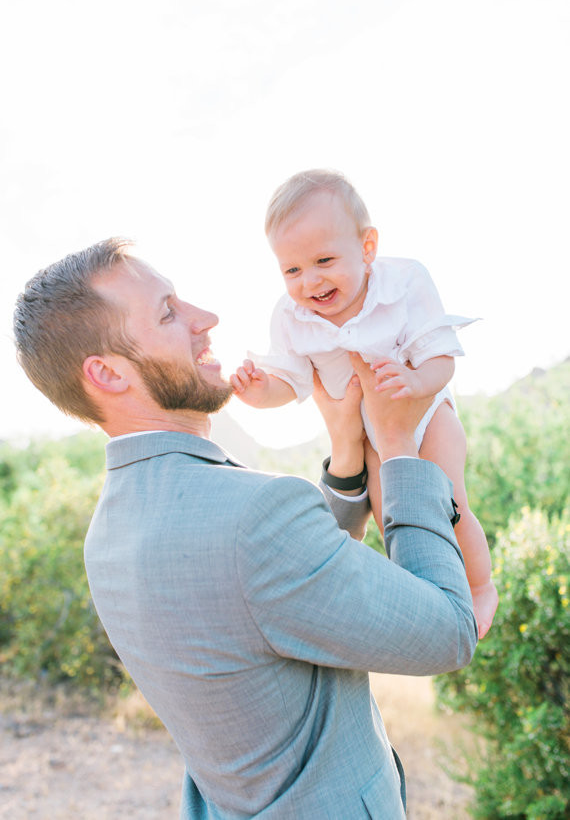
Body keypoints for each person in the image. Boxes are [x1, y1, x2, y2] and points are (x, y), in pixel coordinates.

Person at [14, 238, 477, 819]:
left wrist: (345, 452)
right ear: (106, 373)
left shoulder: (106, 537)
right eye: (167, 312)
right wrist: (402, 449)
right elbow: (450, 632)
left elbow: (270, 589)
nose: (206, 320)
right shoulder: (249, 520)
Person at [231, 169, 498, 639]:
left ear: (367, 247)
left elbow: (441, 357)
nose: (309, 281)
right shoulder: (291, 317)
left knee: (450, 501)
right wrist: (260, 393)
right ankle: (426, 598)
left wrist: (415, 382)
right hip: (371, 439)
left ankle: (480, 587)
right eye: (292, 270)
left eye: (324, 260)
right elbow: (292, 382)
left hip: (427, 411)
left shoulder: (405, 281)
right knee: (391, 513)